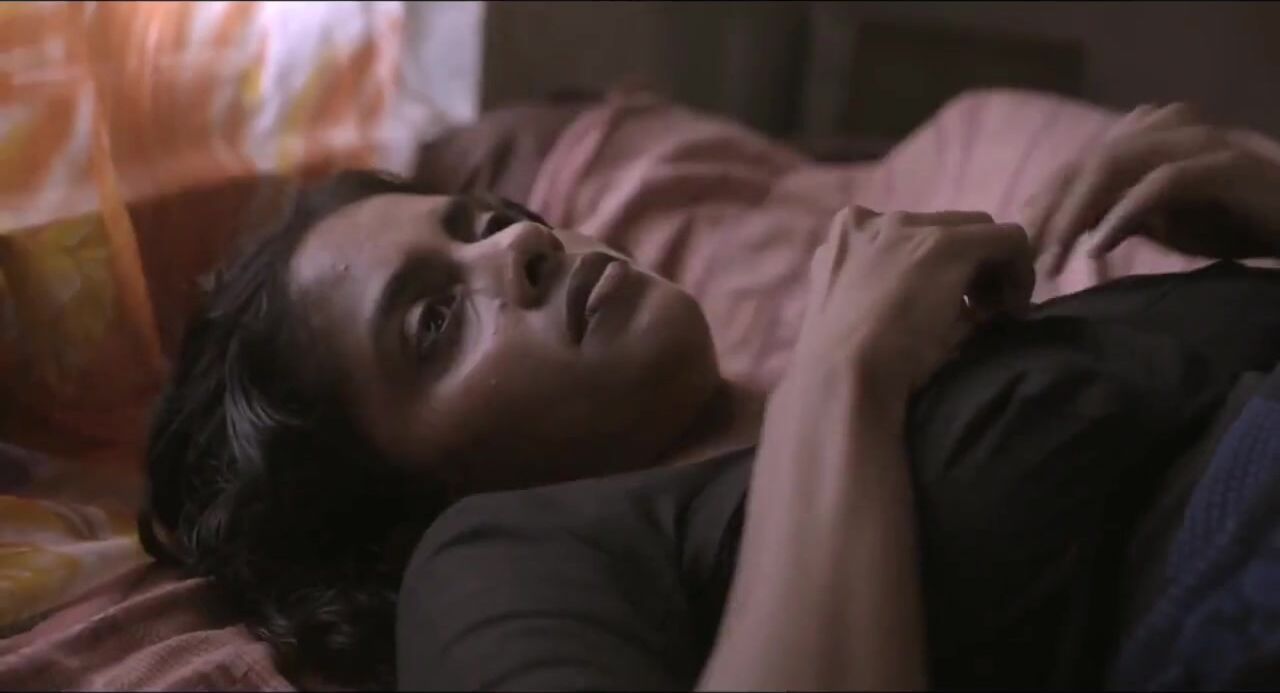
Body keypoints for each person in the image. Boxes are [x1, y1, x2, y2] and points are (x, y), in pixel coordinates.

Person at [139, 102, 1280, 689]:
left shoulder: (893, 369)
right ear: (397, 514)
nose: (519, 248)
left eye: (486, 223)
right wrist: (844, 374)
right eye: (434, 324)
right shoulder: (490, 559)